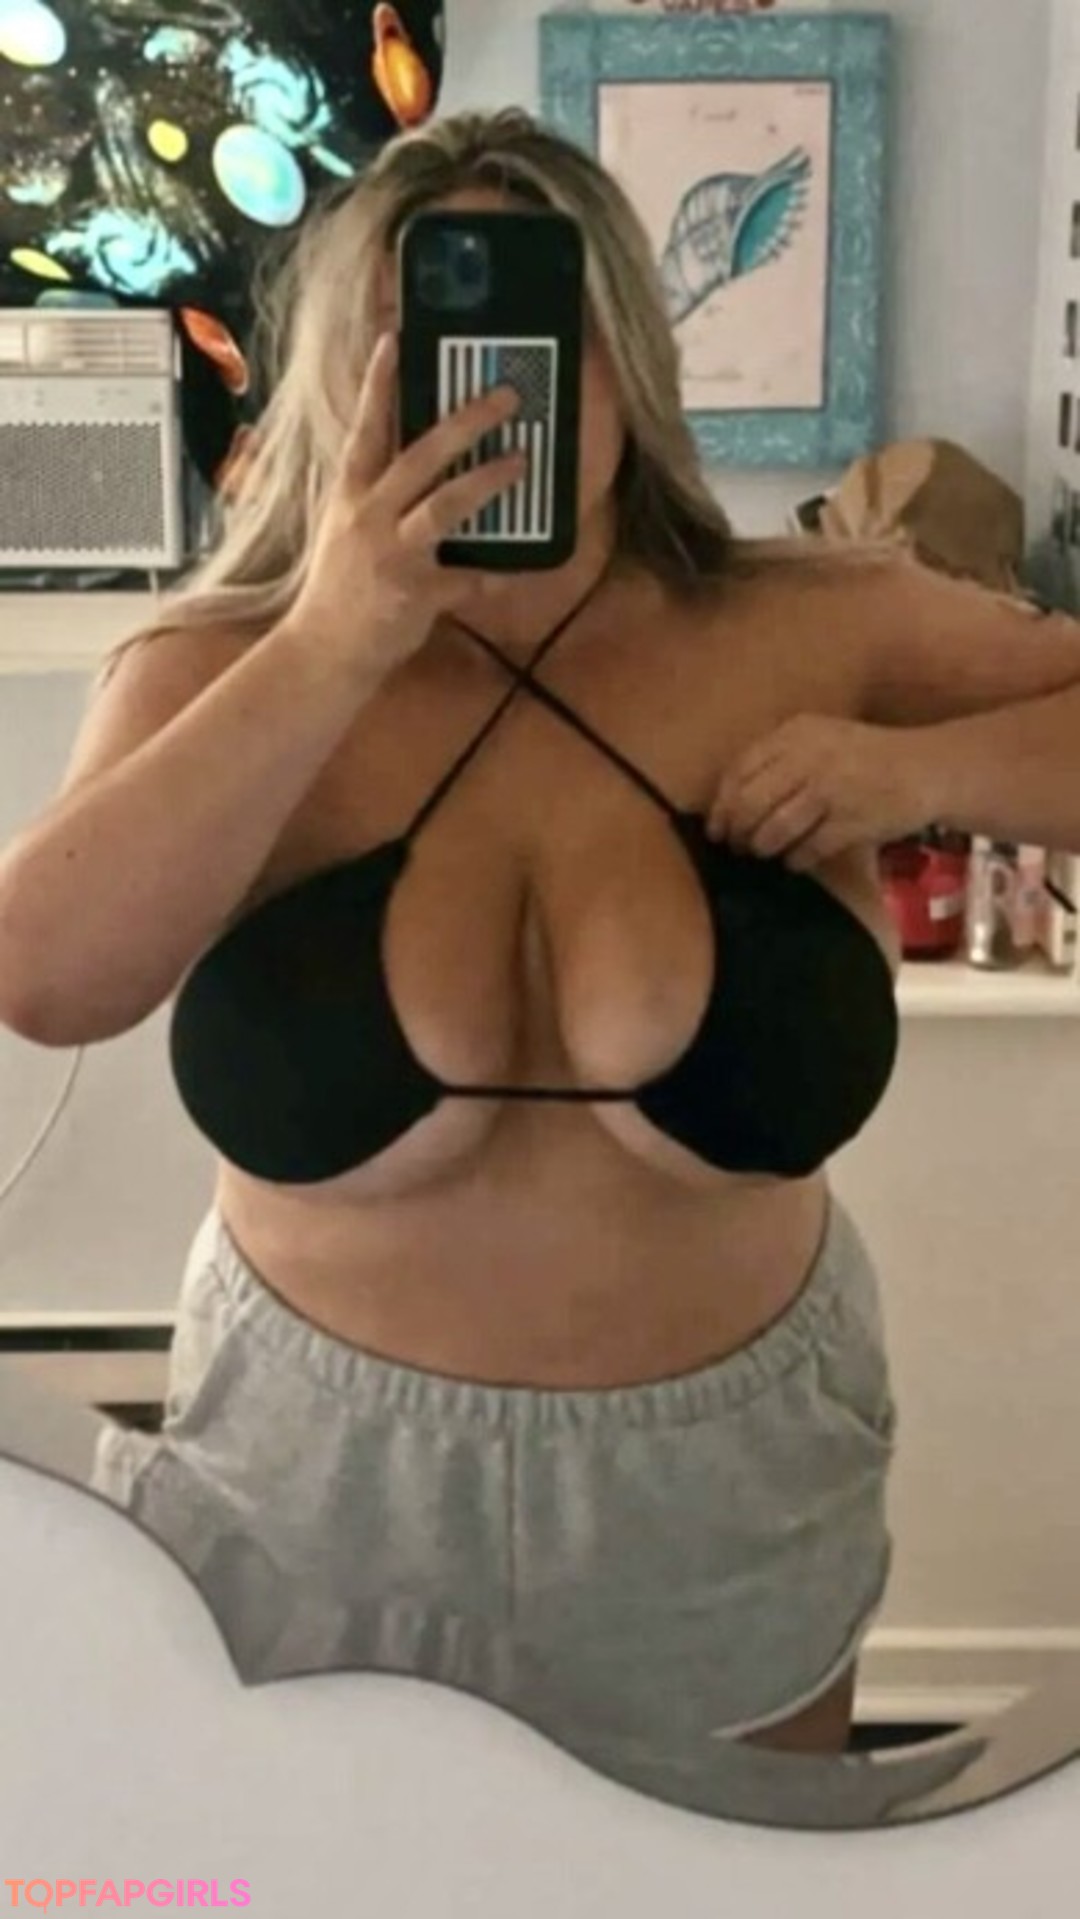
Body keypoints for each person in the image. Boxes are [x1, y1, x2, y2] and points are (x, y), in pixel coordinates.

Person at [4, 109, 1080, 1780]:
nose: (494, 385)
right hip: (315, 1469)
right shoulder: (219, 666)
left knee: (728, 1878)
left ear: (628, 361)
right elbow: (46, 977)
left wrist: (915, 772)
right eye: (418, 330)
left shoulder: (819, 624)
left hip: (723, 1469)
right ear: (344, 373)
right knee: (332, 1864)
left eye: (547, 326)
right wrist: (341, 636)